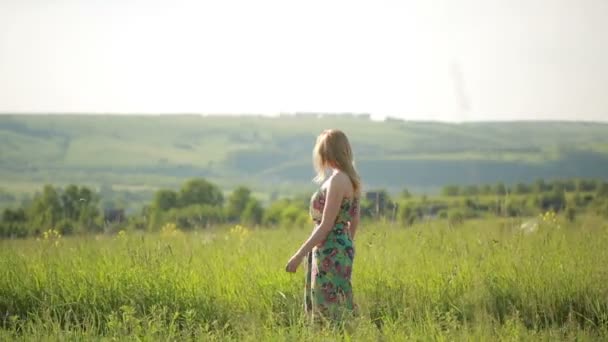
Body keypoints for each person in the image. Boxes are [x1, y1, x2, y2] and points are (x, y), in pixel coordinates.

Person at [285, 129, 361, 325]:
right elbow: (354, 221)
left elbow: (326, 224)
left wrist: (298, 255)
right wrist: (346, 245)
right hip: (341, 245)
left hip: (329, 248)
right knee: (340, 300)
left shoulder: (337, 180)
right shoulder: (352, 179)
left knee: (326, 307)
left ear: (327, 153)